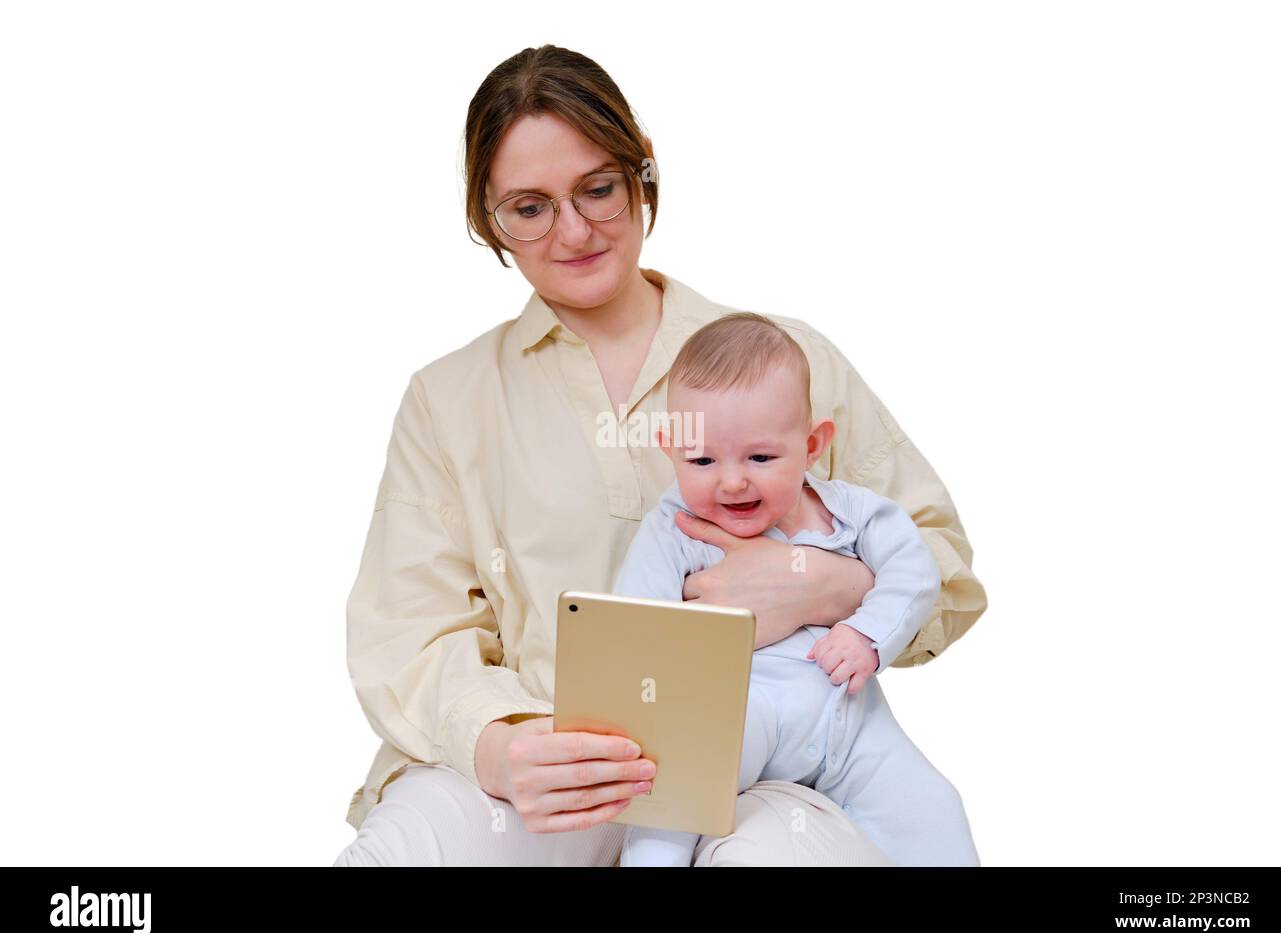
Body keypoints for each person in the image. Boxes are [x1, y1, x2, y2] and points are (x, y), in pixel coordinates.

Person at [332, 43, 987, 867]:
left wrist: (830, 584)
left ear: (642, 177)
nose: (574, 230)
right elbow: (407, 634)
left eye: (598, 190)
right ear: (485, 219)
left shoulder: (787, 360)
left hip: (766, 765)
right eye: (528, 208)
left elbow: (943, 567)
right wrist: (497, 746)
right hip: (543, 760)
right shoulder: (447, 398)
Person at [613, 312, 980, 867]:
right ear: (671, 450)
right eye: (703, 460)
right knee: (675, 787)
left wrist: (867, 634)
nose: (732, 480)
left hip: (849, 724)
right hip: (735, 720)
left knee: (933, 808)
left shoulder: (851, 511)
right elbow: (636, 627)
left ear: (812, 445)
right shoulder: (674, 529)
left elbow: (914, 569)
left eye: (760, 457)